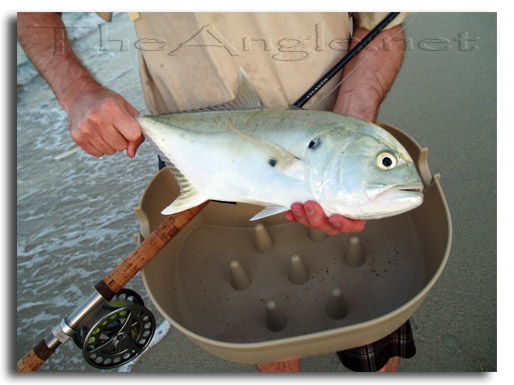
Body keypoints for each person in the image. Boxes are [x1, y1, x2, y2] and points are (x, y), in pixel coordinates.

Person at [17, 12, 415, 372]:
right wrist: (77, 90)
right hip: (203, 165)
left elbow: (382, 23)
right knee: (263, 316)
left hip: (334, 139)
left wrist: (354, 125)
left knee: (370, 303)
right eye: (387, 163)